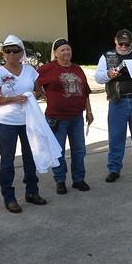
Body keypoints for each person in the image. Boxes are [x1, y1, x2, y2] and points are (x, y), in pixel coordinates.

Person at [0, 34, 47, 213]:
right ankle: (9, 197)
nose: (12, 54)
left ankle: (32, 191)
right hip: (7, 123)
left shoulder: (30, 71)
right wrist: (14, 99)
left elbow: (38, 91)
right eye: (8, 51)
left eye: (16, 50)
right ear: (3, 53)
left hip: (28, 121)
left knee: (30, 158)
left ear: (22, 52)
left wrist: (35, 96)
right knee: (7, 161)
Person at [94, 29, 132, 182]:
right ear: (115, 41)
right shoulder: (106, 57)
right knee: (116, 138)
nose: (123, 46)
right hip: (117, 102)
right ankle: (114, 169)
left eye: (126, 44)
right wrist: (109, 74)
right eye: (120, 43)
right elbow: (98, 77)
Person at [37, 39, 93, 194]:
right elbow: (32, 80)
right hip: (56, 119)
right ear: (55, 53)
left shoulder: (77, 69)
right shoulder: (47, 69)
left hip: (76, 117)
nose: (66, 52)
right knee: (58, 151)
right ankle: (60, 180)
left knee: (79, 150)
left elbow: (85, 92)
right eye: (62, 50)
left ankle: (78, 179)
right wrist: (40, 93)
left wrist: (89, 111)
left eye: (68, 49)